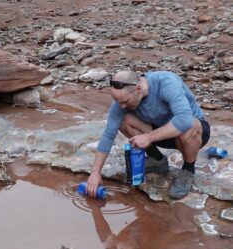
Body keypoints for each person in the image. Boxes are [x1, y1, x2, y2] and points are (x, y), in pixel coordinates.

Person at [87, 70, 210, 199]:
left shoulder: (166, 82)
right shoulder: (123, 99)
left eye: (125, 101)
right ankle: (158, 161)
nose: (122, 106)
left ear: (138, 89)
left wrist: (148, 137)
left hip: (192, 135)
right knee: (123, 120)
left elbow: (184, 120)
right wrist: (95, 172)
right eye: (119, 102)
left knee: (190, 124)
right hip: (161, 132)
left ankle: (188, 170)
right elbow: (108, 134)